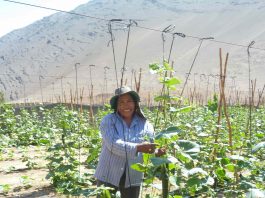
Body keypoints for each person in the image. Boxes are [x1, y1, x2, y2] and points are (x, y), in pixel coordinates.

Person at [94, 86, 165, 198]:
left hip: (133, 176)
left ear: (135, 104)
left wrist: (156, 152)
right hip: (108, 173)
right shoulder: (108, 120)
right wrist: (138, 147)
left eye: (129, 101)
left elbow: (150, 147)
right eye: (121, 102)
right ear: (116, 106)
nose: (125, 105)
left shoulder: (145, 124)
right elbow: (113, 144)